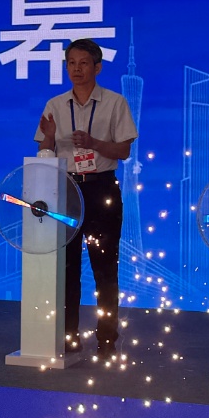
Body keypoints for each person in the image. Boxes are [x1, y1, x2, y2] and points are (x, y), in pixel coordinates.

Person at [35, 39, 137, 357]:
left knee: (104, 267)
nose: (76, 69)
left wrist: (94, 143)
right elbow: (44, 152)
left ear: (97, 67)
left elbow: (124, 150)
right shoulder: (55, 104)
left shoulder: (115, 102)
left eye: (83, 63)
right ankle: (69, 335)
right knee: (67, 267)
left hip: (101, 188)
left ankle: (107, 337)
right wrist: (49, 139)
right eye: (71, 63)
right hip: (65, 190)